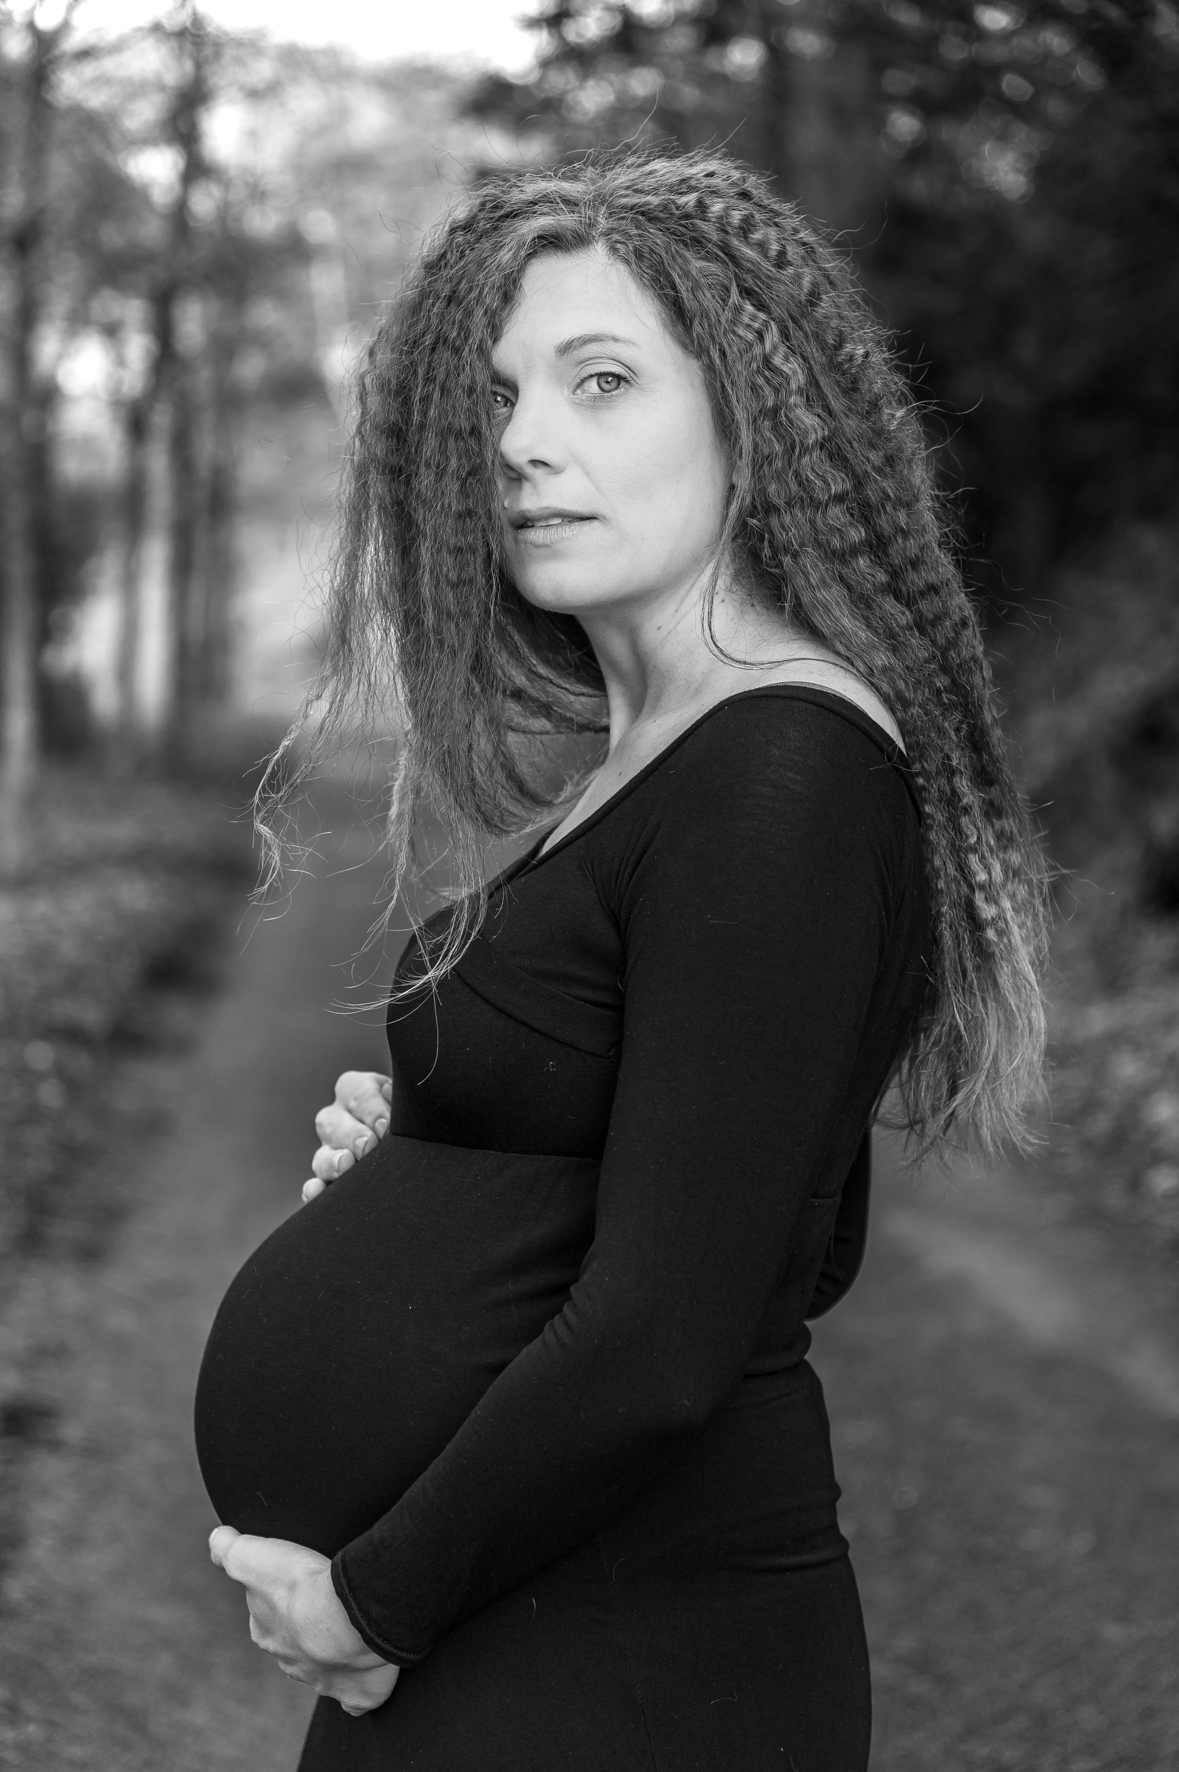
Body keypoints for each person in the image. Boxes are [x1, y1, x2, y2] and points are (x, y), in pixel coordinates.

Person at [199, 151, 1047, 1771]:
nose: (525, 440)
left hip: (621, 1664)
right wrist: (438, 1181)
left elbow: (673, 1334)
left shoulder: (784, 771)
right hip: (528, 1635)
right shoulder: (655, 757)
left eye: (602, 384)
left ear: (756, 417)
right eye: (508, 396)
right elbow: (782, 1223)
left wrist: (374, 1605)